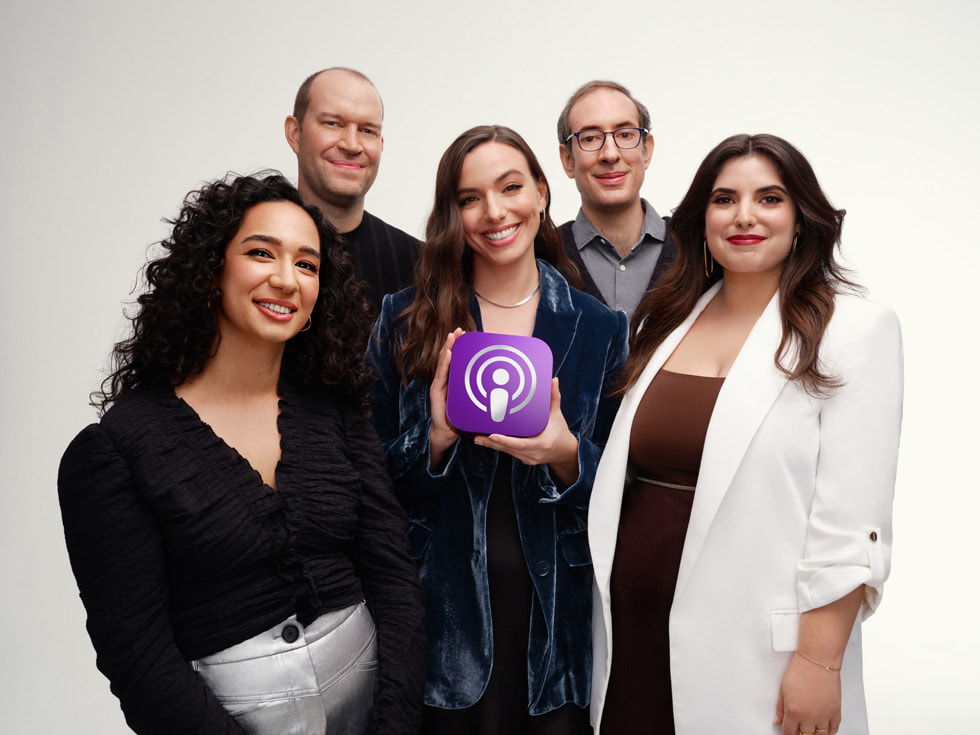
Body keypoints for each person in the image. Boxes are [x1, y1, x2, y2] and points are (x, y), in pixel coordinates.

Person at [57, 173, 426, 735]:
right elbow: (138, 657)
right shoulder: (116, 451)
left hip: (374, 712)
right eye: (261, 253)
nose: (286, 280)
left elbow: (394, 579)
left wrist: (393, 724)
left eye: (307, 264)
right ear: (211, 270)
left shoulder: (336, 414)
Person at [588, 134, 903, 735]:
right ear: (702, 218)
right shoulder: (667, 318)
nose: (744, 216)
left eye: (770, 198)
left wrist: (818, 661)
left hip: (761, 647)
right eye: (725, 199)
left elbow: (851, 524)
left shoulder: (854, 332)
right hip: (633, 628)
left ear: (801, 216)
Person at [366, 125, 628, 733]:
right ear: (453, 214)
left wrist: (566, 454)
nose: (493, 212)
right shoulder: (406, 320)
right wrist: (433, 439)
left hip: (556, 622)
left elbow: (623, 490)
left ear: (541, 193)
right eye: (468, 198)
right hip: (440, 619)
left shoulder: (600, 329)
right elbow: (369, 485)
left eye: (510, 187)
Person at [285, 67, 419, 316]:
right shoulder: (247, 250)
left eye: (367, 130)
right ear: (295, 134)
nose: (351, 145)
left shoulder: (420, 264)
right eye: (333, 123)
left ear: (380, 145)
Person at [556, 80, 676, 320]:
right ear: (568, 159)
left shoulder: (699, 248)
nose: (610, 154)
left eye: (625, 134)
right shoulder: (542, 258)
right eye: (589, 138)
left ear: (647, 150)